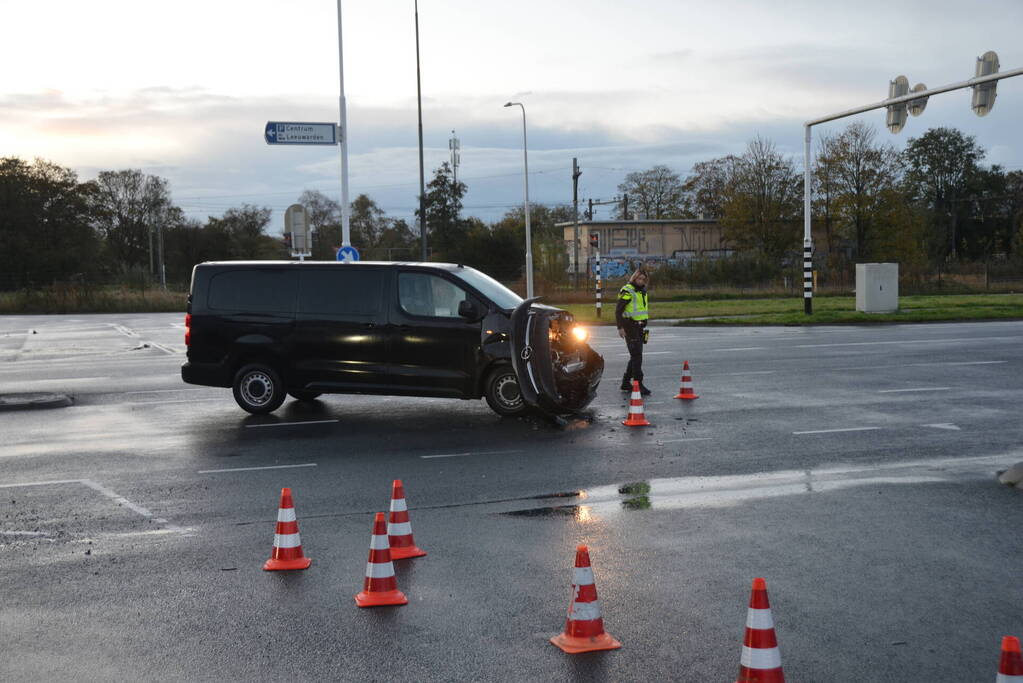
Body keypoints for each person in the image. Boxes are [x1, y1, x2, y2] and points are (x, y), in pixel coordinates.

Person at [616, 268, 651, 395]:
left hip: (639, 327)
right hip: (629, 326)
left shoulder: (642, 291)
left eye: (643, 279)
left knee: (635, 355)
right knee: (637, 356)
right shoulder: (628, 290)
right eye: (639, 278)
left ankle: (626, 383)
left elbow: (641, 309)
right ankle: (638, 383)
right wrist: (620, 328)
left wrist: (644, 321)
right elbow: (618, 311)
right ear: (634, 278)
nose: (641, 281)